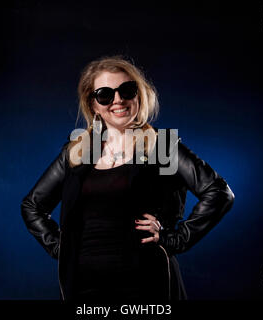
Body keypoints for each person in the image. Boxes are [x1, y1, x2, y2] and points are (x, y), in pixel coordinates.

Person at [21, 55, 235, 301]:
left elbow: (219, 193)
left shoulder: (160, 146)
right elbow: (32, 206)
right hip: (84, 286)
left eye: (127, 90)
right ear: (93, 104)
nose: (118, 100)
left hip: (144, 284)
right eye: (105, 94)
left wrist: (175, 240)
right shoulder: (77, 153)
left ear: (138, 95)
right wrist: (61, 246)